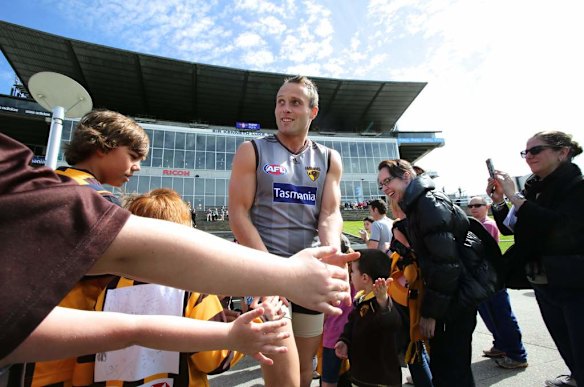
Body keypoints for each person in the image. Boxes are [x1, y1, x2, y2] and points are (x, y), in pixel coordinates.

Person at [0, 132, 358, 367]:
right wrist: (279, 282)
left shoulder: (52, 193)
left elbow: (126, 328)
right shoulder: (184, 284)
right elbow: (209, 360)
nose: (138, 166)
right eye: (133, 156)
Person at [229, 75, 343, 387]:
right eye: (281, 102)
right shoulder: (251, 150)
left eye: (295, 102)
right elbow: (238, 216)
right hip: (267, 272)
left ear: (313, 111)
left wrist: (332, 256)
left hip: (309, 272)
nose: (285, 109)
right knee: (283, 375)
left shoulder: (330, 158)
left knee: (305, 368)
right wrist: (272, 272)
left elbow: (330, 213)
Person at [71, 188, 247, 386]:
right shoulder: (192, 287)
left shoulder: (110, 287)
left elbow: (88, 357)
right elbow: (214, 360)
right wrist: (254, 323)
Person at [25, 109, 150, 386]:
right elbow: (127, 265)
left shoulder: (46, 182)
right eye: (133, 156)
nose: (137, 166)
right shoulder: (95, 200)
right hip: (62, 348)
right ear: (103, 146)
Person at [378, 159, 496, 387]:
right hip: (452, 298)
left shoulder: (427, 204)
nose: (385, 188)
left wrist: (431, 313)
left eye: (387, 181)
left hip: (454, 301)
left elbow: (445, 265)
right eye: (381, 185)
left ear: (405, 176)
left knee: (451, 372)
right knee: (447, 371)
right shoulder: (419, 204)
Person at [486, 131, 584, 387]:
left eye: (536, 150)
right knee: (563, 340)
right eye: (526, 152)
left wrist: (515, 197)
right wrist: (500, 202)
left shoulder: (576, 186)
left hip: (573, 279)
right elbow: (516, 227)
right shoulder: (534, 187)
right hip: (543, 277)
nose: (529, 156)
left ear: (562, 152)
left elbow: (560, 227)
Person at [468, 196, 528, 369]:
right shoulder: (476, 224)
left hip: (491, 277)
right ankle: (501, 345)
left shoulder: (486, 225)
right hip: (483, 278)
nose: (473, 208)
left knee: (501, 315)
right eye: (471, 206)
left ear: (486, 207)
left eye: (478, 205)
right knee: (490, 314)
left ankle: (517, 354)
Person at [335, 249, 402, 387]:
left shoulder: (382, 302)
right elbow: (352, 323)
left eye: (352, 271)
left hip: (379, 379)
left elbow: (392, 324)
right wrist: (344, 341)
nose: (350, 275)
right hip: (361, 375)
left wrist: (383, 301)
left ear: (364, 278)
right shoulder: (361, 299)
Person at [321, 234, 355, 387]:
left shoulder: (327, 278)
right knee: (346, 377)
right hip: (350, 335)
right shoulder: (355, 274)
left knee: (329, 380)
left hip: (332, 336)